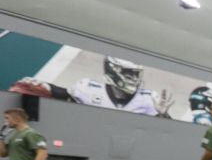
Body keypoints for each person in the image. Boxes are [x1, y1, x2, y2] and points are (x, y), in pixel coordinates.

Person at [10, 56, 171, 116]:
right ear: (113, 70)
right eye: (128, 73)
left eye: (136, 74)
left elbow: (167, 131)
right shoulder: (88, 89)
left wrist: (163, 114)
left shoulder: (149, 99)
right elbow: (65, 94)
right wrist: (45, 87)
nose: (133, 78)